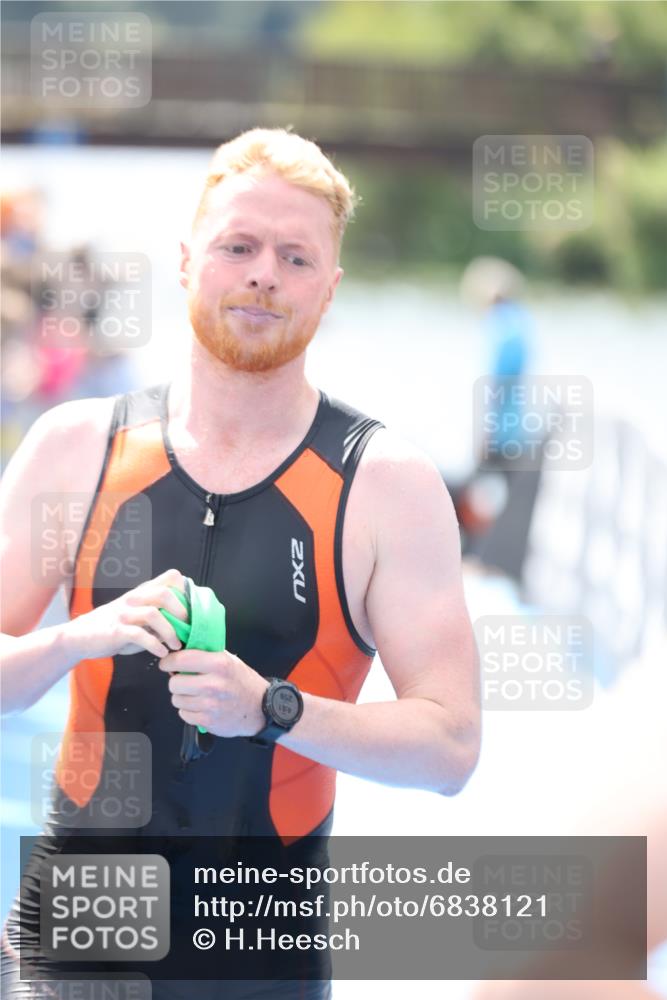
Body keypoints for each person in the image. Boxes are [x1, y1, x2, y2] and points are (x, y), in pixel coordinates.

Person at [0, 128, 480, 998]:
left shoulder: (386, 486)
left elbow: (449, 748)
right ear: (187, 261)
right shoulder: (76, 448)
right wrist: (77, 638)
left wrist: (270, 709)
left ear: (328, 289)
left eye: (296, 257)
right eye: (239, 246)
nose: (264, 273)